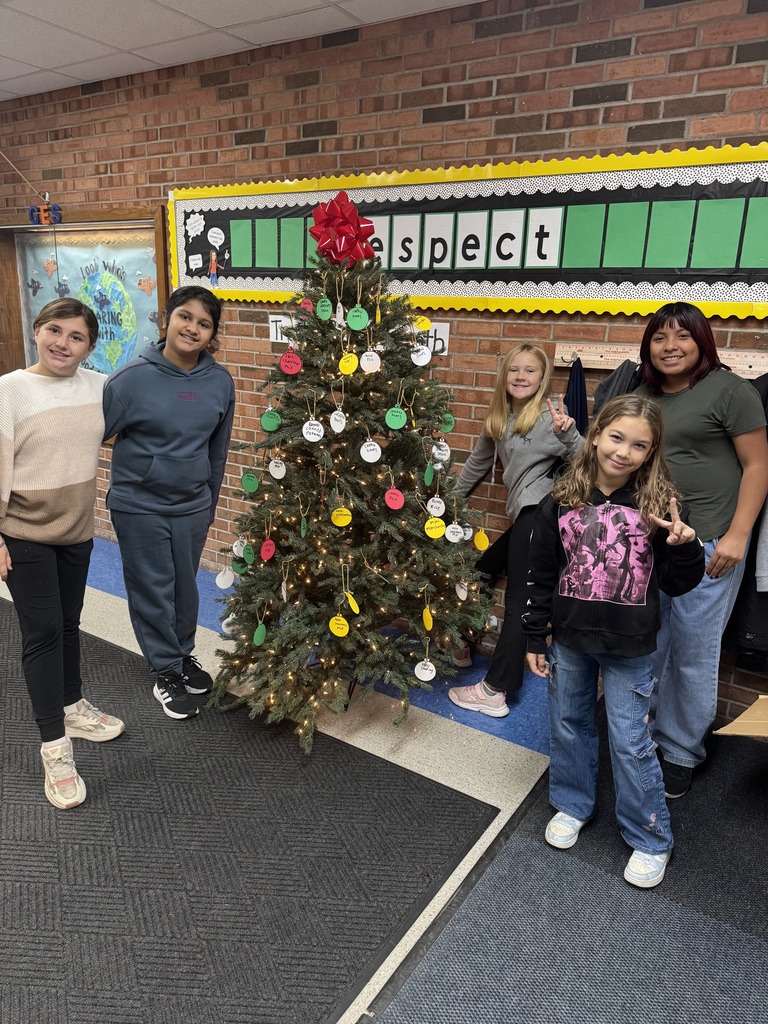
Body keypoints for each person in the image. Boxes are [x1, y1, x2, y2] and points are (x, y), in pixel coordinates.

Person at [524, 395, 705, 888]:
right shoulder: (559, 500)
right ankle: (572, 805)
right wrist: (534, 635)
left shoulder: (659, 508)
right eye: (617, 437)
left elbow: (677, 584)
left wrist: (686, 549)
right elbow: (540, 574)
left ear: (651, 452)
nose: (624, 452)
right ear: (598, 434)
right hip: (569, 639)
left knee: (630, 741)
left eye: (639, 445)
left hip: (630, 645)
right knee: (568, 724)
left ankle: (650, 838)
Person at [636, 302, 768, 798]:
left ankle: (679, 751)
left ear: (701, 342)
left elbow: (758, 466)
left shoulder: (731, 391)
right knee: (650, 642)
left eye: (682, 336)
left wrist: (737, 536)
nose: (671, 346)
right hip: (654, 539)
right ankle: (641, 734)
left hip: (711, 537)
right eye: (659, 338)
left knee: (692, 648)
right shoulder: (642, 394)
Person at [0, 298, 125, 810]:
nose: (62, 343)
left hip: (76, 531)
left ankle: (72, 703)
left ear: (90, 348)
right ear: (37, 330)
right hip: (22, 531)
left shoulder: (98, 388)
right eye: (54, 330)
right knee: (45, 631)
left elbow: (130, 428)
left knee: (70, 623)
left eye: (76, 337)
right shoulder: (10, 390)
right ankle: (55, 745)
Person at [103, 285, 236, 721]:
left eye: (204, 323)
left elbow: (217, 452)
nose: (192, 328)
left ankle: (182, 655)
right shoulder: (131, 380)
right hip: (139, 504)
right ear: (168, 319)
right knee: (153, 589)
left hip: (192, 506)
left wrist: (209, 503)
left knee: (185, 588)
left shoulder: (220, 382)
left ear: (212, 333)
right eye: (185, 317)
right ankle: (165, 671)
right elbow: (90, 436)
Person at [448, 344, 583, 717]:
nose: (521, 377)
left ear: (542, 379)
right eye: (514, 370)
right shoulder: (501, 417)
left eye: (531, 371)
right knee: (479, 572)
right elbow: (477, 462)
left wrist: (569, 434)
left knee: (520, 601)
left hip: (543, 515)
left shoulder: (550, 418)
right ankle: (460, 640)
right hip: (525, 515)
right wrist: (448, 504)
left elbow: (589, 459)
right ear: (505, 376)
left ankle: (495, 689)